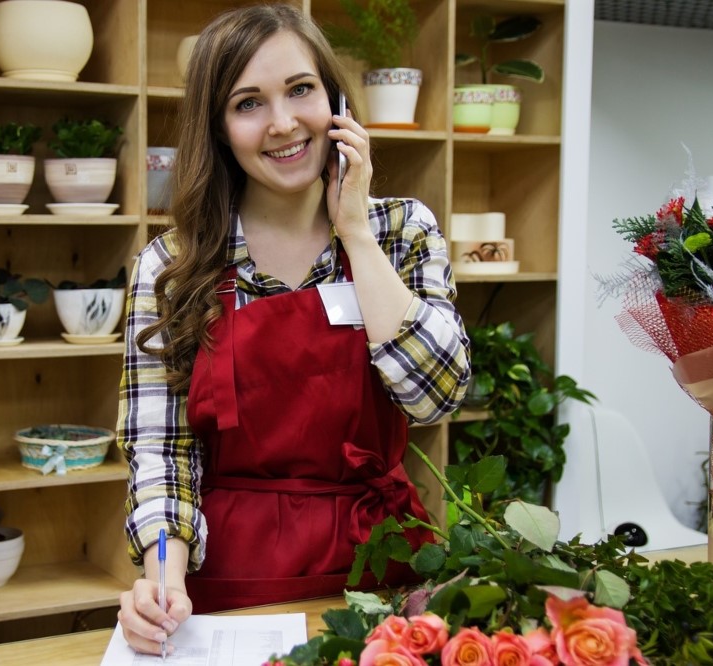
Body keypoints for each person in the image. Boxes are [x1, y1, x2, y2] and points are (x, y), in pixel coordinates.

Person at [116, 4, 470, 656]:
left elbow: (437, 394)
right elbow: (161, 452)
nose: (283, 124)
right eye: (248, 103)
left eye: (300, 90)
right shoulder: (172, 267)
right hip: (233, 579)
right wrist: (160, 582)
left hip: (381, 572)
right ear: (219, 128)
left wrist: (356, 234)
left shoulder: (401, 231)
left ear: (334, 97)